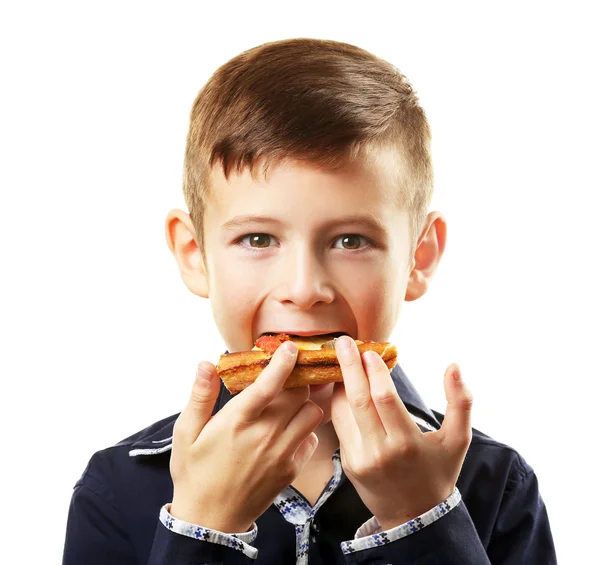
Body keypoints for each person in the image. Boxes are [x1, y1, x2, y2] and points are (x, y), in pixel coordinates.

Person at [62, 38, 556, 564]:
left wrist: (425, 521)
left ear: (418, 257)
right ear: (194, 253)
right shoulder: (116, 488)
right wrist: (200, 526)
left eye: (350, 241)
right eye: (258, 240)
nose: (303, 288)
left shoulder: (496, 485)